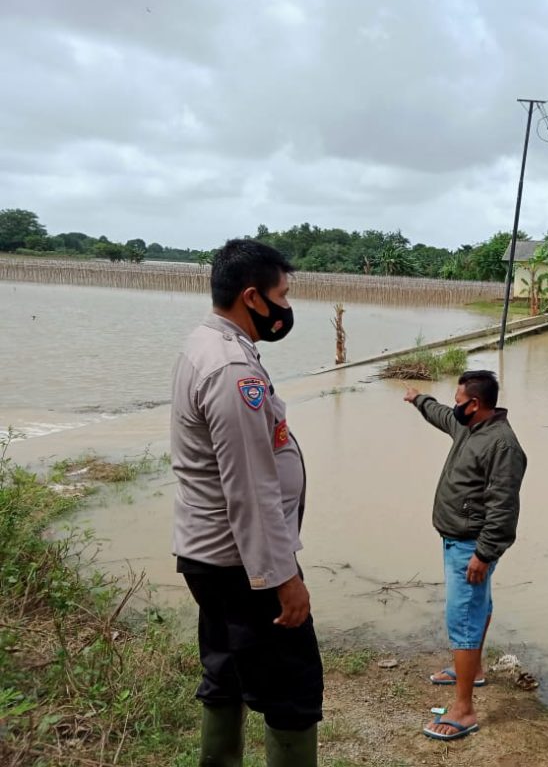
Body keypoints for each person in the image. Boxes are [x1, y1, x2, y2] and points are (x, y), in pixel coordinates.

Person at [170, 239, 322, 765]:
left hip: (212, 555)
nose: (287, 306)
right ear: (252, 297)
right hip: (241, 565)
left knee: (227, 672)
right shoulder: (233, 370)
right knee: (292, 690)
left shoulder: (205, 344)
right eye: (283, 295)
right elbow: (251, 491)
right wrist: (284, 579)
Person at [403, 371, 527, 741]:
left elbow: (504, 508)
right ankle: (471, 670)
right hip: (458, 541)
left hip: (472, 547)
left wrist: (483, 555)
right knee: (477, 607)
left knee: (463, 619)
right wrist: (418, 399)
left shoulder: (502, 446)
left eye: (458, 400)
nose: (453, 406)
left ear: (474, 404)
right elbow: (441, 414)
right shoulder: (467, 426)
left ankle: (464, 710)